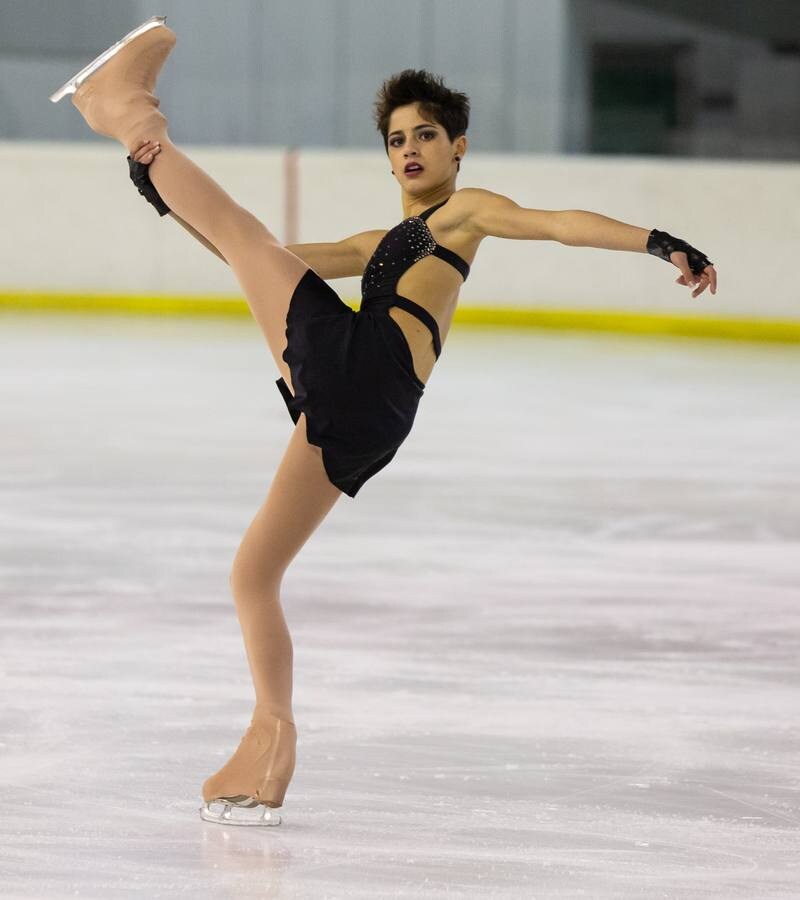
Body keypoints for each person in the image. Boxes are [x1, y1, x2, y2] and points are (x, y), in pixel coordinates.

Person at [51, 16, 717, 827]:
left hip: (363, 372)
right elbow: (248, 254)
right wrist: (161, 196)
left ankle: (128, 113)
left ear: (458, 146)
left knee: (244, 240)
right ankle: (269, 743)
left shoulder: (461, 213)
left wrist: (658, 242)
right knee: (252, 574)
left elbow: (554, 222)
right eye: (398, 138)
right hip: (370, 405)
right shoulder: (384, 241)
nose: (410, 149)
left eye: (427, 134)